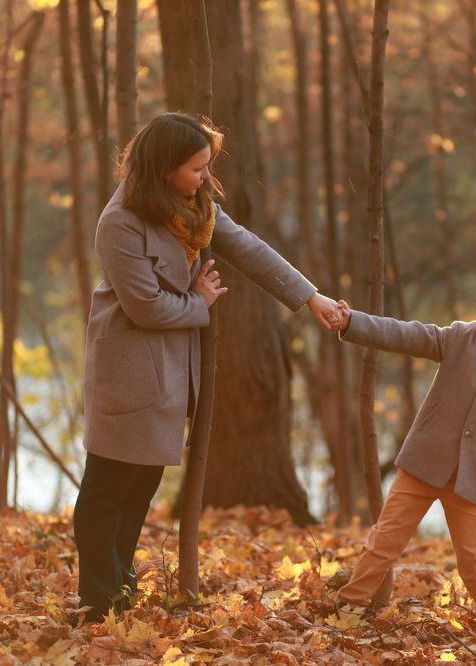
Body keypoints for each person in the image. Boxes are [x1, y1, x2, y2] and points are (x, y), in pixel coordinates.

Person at [74, 112, 342, 623]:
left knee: (141, 489)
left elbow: (249, 249)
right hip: (128, 368)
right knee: (107, 487)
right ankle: (98, 599)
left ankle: (118, 590)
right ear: (164, 166)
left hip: (173, 371)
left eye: (206, 166)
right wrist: (199, 302)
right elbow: (145, 308)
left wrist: (310, 298)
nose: (205, 178)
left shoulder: (194, 208)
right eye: (197, 167)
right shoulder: (121, 222)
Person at [329, 263, 476, 624]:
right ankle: (347, 609)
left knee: (472, 558)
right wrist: (351, 322)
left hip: (473, 480)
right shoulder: (460, 338)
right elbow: (406, 334)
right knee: (384, 541)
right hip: (423, 462)